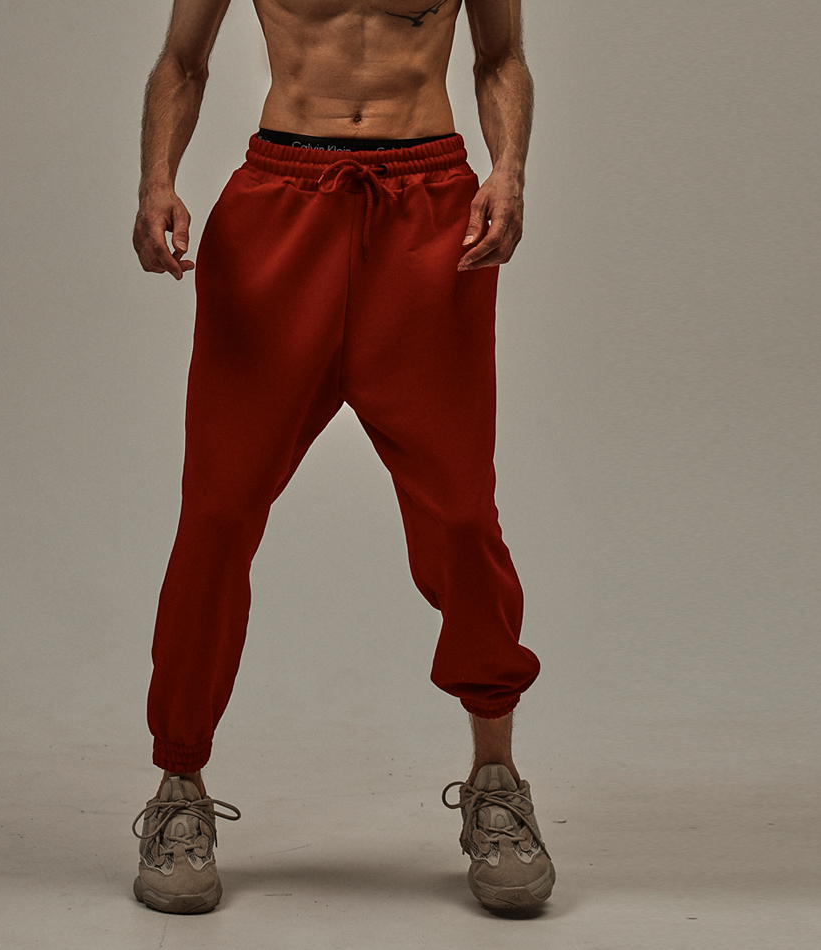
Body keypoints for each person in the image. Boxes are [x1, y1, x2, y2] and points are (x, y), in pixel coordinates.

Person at [128, 0, 552, 915]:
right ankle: (179, 787)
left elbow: (501, 56)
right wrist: (157, 180)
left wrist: (509, 170)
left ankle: (496, 783)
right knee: (218, 514)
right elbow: (181, 60)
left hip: (430, 212)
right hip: (281, 203)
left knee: (461, 515)